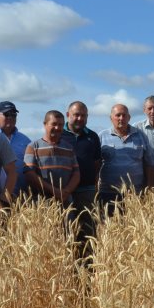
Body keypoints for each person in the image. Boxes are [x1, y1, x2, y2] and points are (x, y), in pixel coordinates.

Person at [62, 101, 102, 242]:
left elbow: (97, 163)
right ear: (68, 115)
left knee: (88, 229)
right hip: (64, 191)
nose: (80, 118)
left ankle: (88, 262)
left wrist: (93, 183)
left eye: (83, 116)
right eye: (76, 115)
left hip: (86, 190)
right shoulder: (59, 134)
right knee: (65, 229)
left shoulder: (93, 136)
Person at [98, 104, 149, 213]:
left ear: (129, 118)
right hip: (108, 193)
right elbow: (96, 164)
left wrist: (147, 188)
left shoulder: (140, 135)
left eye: (124, 115)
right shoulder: (102, 136)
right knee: (109, 226)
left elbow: (147, 163)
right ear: (111, 118)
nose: (121, 118)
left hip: (135, 193)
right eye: (118, 115)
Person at [24, 110, 80, 205]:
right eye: (53, 124)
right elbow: (29, 173)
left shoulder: (69, 148)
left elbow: (76, 174)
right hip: (41, 203)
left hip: (65, 201)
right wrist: (54, 191)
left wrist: (65, 192)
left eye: (60, 125)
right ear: (45, 124)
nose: (57, 128)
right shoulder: (33, 147)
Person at [0, 101, 32, 198]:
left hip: (20, 196)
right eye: (7, 114)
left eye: (13, 115)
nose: (10, 117)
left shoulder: (26, 141)